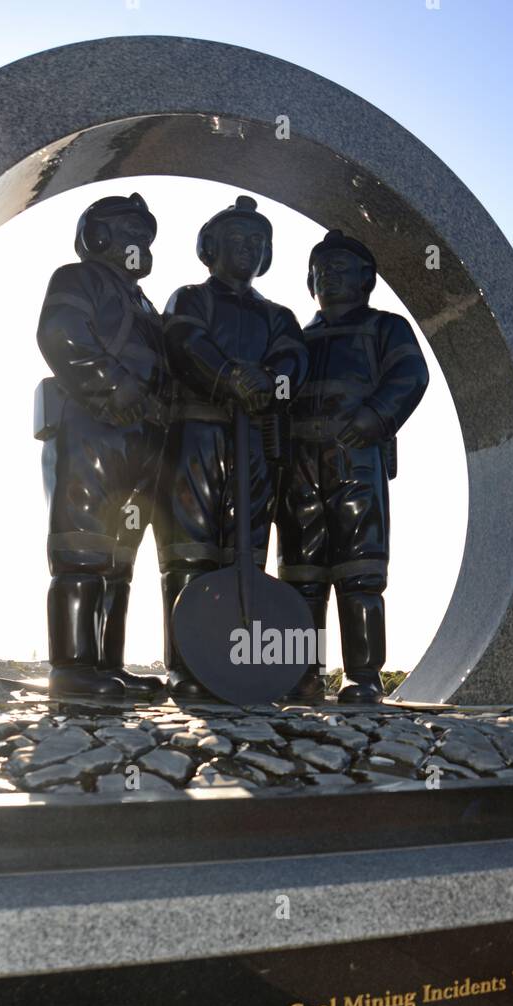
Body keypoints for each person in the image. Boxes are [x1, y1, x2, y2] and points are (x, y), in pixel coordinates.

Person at [158, 195, 308, 699]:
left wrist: (269, 381)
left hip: (256, 442)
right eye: (236, 239)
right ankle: (184, 664)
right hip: (196, 435)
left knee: (245, 550)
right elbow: (183, 344)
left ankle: (236, 660)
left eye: (256, 241)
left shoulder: (280, 316)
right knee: (189, 550)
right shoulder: (189, 297)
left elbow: (293, 364)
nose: (247, 248)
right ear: (211, 246)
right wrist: (226, 377)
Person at [277, 230, 429, 704]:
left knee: (360, 570)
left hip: (355, 458)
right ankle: (301, 674)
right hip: (299, 462)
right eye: (322, 270)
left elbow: (410, 376)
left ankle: (363, 675)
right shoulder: (295, 339)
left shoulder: (387, 328)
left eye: (342, 268)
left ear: (366, 279)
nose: (330, 277)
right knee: (301, 574)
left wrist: (374, 418)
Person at [35, 192, 170, 700]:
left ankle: (107, 667)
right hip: (92, 426)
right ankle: (72, 669)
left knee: (119, 559)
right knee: (81, 548)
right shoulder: (78, 278)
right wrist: (115, 386)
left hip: (143, 439)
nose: (139, 242)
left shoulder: (145, 304)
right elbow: (60, 333)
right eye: (128, 230)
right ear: (97, 236)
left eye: (145, 233)